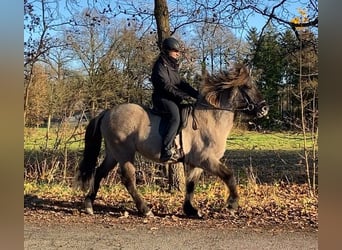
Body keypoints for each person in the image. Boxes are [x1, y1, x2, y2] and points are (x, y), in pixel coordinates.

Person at [151, 37, 199, 162]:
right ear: (167, 50)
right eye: (175, 50)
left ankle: (179, 145)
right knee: (175, 117)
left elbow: (182, 83)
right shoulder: (160, 65)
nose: (178, 53)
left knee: (187, 113)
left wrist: (197, 95)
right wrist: (182, 96)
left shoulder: (172, 67)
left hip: (172, 98)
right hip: (162, 98)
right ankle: (166, 149)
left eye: (178, 51)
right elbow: (165, 85)